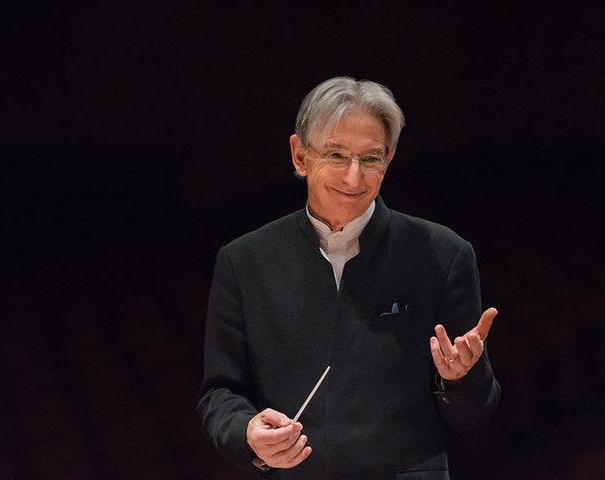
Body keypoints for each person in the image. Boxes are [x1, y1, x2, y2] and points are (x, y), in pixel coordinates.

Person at [198, 76, 500, 479]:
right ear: (300, 155)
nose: (353, 178)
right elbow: (220, 394)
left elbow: (474, 414)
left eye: (371, 159)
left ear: (389, 159)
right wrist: (248, 432)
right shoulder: (244, 261)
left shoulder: (443, 255)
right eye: (336, 155)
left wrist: (461, 377)